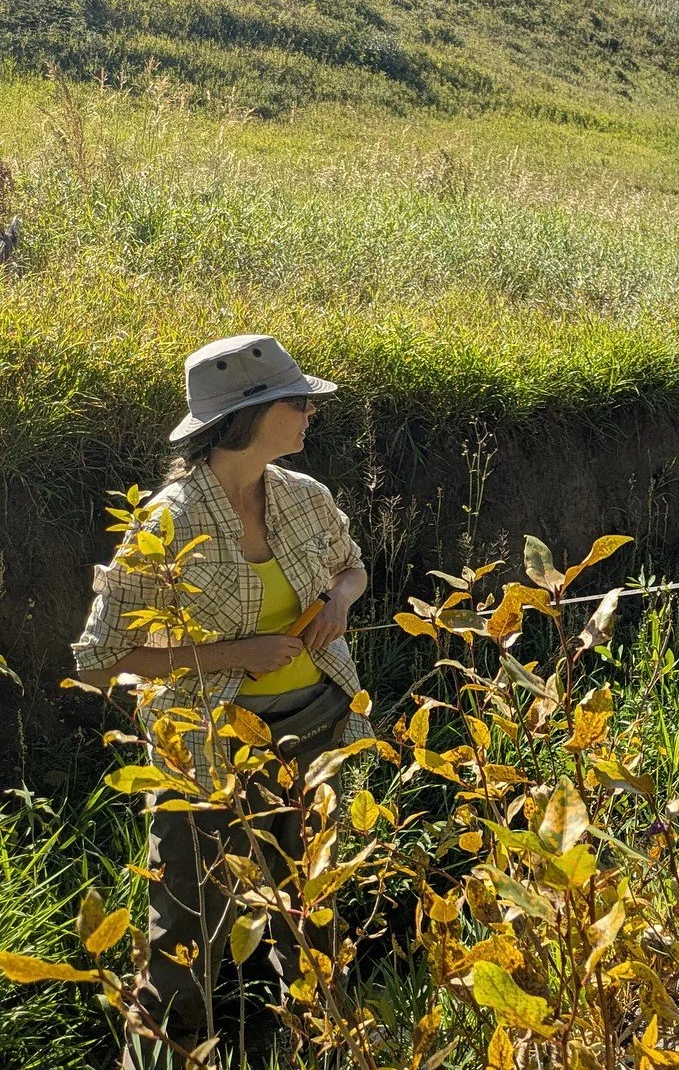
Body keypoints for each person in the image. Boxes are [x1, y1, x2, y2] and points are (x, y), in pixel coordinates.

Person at [71, 334, 375, 1045]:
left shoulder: (304, 496)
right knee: (187, 920)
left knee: (312, 899)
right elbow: (100, 659)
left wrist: (339, 599)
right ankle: (173, 1052)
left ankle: (326, 1041)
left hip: (316, 727)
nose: (310, 414)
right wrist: (236, 653)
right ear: (250, 414)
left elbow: (353, 567)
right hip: (205, 750)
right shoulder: (167, 524)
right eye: (299, 402)